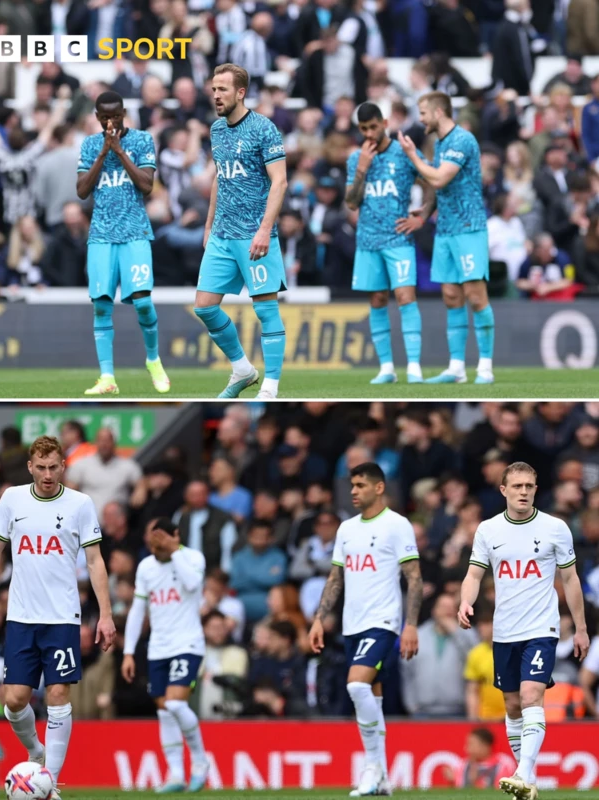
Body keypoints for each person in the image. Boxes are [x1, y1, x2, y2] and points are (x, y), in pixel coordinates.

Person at [0, 436, 116, 799]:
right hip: (21, 617)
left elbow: (95, 562)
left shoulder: (80, 504)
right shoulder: (13, 499)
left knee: (58, 693)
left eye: (54, 467)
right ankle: (35, 751)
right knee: (14, 699)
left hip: (63, 616)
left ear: (63, 466)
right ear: (30, 467)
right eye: (42, 467)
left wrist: (106, 615)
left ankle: (51, 782)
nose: (48, 475)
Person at [458, 461, 590, 800]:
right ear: (503, 490)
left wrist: (580, 628)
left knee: (532, 695)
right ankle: (525, 781)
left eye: (529, 486)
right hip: (504, 631)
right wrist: (465, 602)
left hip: (541, 628)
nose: (523, 492)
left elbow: (570, 578)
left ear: (535, 489)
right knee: (513, 705)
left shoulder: (555, 528)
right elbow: (474, 575)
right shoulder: (488, 530)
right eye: (516, 486)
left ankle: (522, 772)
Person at [308, 462, 423, 797]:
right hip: (351, 626)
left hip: (384, 623)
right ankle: (382, 778)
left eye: (360, 485)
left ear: (379, 487)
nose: (353, 491)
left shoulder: (396, 525)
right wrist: (318, 618)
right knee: (371, 694)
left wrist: (410, 624)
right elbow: (336, 577)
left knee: (356, 687)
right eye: (352, 485)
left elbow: (413, 577)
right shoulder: (346, 529)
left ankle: (372, 767)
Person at [195, 63, 288, 400]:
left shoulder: (264, 128)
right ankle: (243, 370)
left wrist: (265, 229)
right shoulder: (216, 130)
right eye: (213, 89)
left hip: (254, 234)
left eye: (222, 89)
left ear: (240, 92)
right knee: (204, 307)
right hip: (221, 234)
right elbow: (222, 177)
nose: (215, 95)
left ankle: (271, 388)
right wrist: (208, 225)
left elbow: (280, 180)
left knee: (265, 309)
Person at [76, 90, 170, 397]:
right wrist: (103, 151)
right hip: (102, 235)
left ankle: (154, 360)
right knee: (102, 306)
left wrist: (119, 151)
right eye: (104, 117)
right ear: (97, 118)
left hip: (134, 232)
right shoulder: (90, 145)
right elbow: (81, 191)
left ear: (124, 113)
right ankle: (107, 377)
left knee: (142, 302)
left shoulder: (142, 141)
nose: (110, 122)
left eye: (115, 116)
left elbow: (146, 185)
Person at [398, 91, 495, 385]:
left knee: (477, 297)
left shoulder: (463, 139)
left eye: (424, 113)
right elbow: (440, 189)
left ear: (438, 112)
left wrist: (413, 155)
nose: (421, 119)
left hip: (469, 228)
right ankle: (456, 368)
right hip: (447, 230)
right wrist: (425, 214)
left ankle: (486, 368)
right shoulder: (441, 143)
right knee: (452, 297)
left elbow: (440, 178)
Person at [121, 518, 209, 793]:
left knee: (175, 704)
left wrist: (173, 551)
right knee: (164, 713)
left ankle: (200, 763)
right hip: (158, 648)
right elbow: (137, 611)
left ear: (175, 536)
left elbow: (193, 584)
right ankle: (175, 774)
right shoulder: (146, 567)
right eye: (152, 543)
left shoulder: (192, 558)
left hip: (188, 644)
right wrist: (128, 652)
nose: (155, 548)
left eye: (160, 542)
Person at [345, 102, 424, 386]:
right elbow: (352, 203)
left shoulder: (403, 153)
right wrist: (362, 170)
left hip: (398, 238)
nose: (369, 133)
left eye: (373, 127)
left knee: (405, 297)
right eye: (364, 129)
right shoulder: (356, 158)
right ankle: (387, 367)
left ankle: (414, 366)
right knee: (377, 300)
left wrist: (423, 215)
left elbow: (432, 180)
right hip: (367, 241)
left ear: (385, 122)